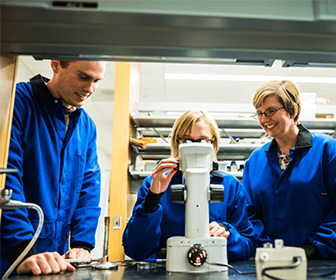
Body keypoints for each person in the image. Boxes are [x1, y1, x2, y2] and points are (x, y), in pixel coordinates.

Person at [1, 60, 106, 276]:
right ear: (56, 65)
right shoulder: (16, 102)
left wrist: (81, 244)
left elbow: (89, 188)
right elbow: (6, 179)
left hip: (53, 258)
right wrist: (23, 249)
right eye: (83, 77)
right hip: (11, 253)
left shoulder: (86, 126)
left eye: (96, 81)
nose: (90, 88)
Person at [243, 80, 336, 261]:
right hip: (274, 262)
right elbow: (248, 213)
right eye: (259, 113)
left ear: (293, 110)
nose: (264, 120)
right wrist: (268, 247)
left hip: (326, 262)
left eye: (271, 111)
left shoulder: (328, 150)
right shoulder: (255, 161)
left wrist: (312, 248)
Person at [123, 110, 257, 261]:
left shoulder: (230, 186)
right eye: (186, 140)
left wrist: (226, 233)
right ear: (176, 142)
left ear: (213, 143)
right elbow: (135, 250)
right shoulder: (154, 183)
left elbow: (248, 245)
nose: (195, 147)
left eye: (202, 140)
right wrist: (153, 198)